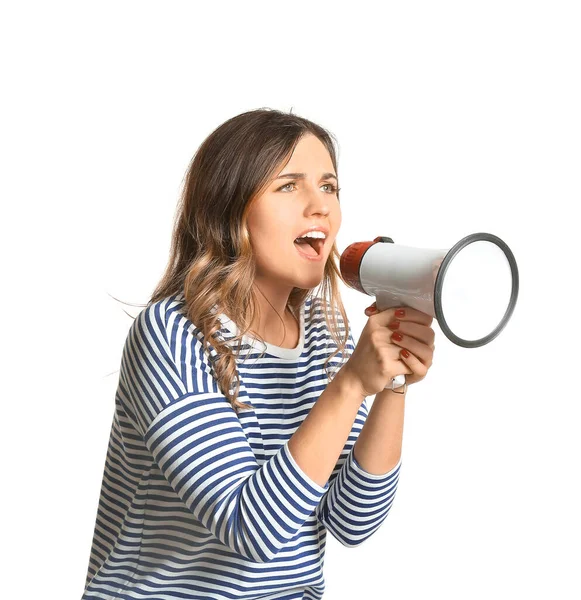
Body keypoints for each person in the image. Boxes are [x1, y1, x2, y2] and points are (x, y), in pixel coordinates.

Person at [82, 108, 435, 599]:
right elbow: (251, 530)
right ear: (231, 208)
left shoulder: (322, 331)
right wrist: (353, 383)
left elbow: (353, 520)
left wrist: (391, 383)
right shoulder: (171, 334)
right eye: (288, 186)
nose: (320, 207)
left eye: (329, 186)